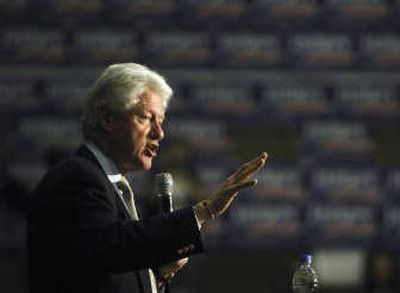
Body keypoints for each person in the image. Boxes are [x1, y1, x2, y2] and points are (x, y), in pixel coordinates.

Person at [27, 63, 268, 293]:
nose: (159, 133)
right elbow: (110, 247)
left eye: (161, 121)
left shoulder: (108, 184)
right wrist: (203, 211)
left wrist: (156, 276)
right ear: (107, 118)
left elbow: (104, 273)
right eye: (145, 118)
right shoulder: (78, 178)